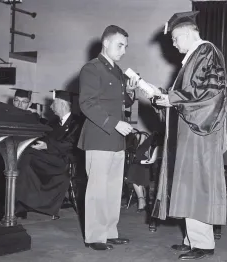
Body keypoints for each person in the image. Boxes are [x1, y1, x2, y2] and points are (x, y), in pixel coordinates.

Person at [145, 11, 227, 260]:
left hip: (200, 132)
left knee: (197, 187)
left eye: (174, 38)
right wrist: (163, 97)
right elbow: (190, 93)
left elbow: (207, 93)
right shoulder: (196, 57)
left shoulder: (205, 52)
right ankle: (192, 238)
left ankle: (203, 244)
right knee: (188, 185)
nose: (173, 44)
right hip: (191, 131)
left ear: (185, 33)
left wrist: (170, 99)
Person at [78, 25, 138, 251]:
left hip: (116, 138)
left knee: (113, 189)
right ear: (106, 43)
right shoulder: (91, 69)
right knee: (97, 189)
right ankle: (94, 236)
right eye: (119, 45)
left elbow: (122, 103)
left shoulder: (117, 71)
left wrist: (130, 92)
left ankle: (109, 232)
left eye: (125, 46)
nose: (123, 50)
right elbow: (87, 103)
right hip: (100, 136)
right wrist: (114, 123)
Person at [15, 90, 81, 217]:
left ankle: (21, 203)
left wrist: (47, 145)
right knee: (24, 156)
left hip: (65, 161)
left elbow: (72, 144)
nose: (50, 107)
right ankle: (22, 202)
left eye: (53, 104)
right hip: (50, 157)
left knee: (27, 156)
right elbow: (45, 137)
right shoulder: (54, 122)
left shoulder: (76, 123)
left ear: (62, 105)